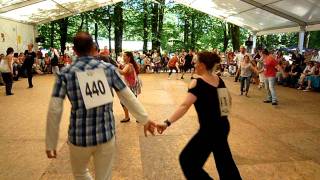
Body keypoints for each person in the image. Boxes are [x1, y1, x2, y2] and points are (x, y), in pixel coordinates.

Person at [45, 32, 156, 180]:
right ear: (93, 48)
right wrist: (145, 119)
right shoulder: (108, 69)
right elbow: (127, 95)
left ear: (75, 50)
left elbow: (54, 109)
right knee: (104, 177)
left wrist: (51, 142)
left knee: (80, 173)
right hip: (106, 134)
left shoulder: (65, 73)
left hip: (79, 137)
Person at [157, 51, 242, 180]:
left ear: (202, 65)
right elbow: (228, 101)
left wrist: (167, 122)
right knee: (225, 162)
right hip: (223, 126)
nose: (194, 64)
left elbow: (185, 106)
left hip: (209, 131)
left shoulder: (197, 83)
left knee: (187, 161)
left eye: (196, 62)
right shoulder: (218, 79)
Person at [117, 51, 141, 123]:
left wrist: (114, 68)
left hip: (131, 87)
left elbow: (123, 72)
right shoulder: (129, 64)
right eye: (123, 56)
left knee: (127, 102)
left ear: (129, 57)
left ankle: (131, 117)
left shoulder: (129, 65)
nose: (123, 57)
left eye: (124, 56)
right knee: (130, 102)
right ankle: (130, 117)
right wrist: (120, 66)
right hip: (132, 86)